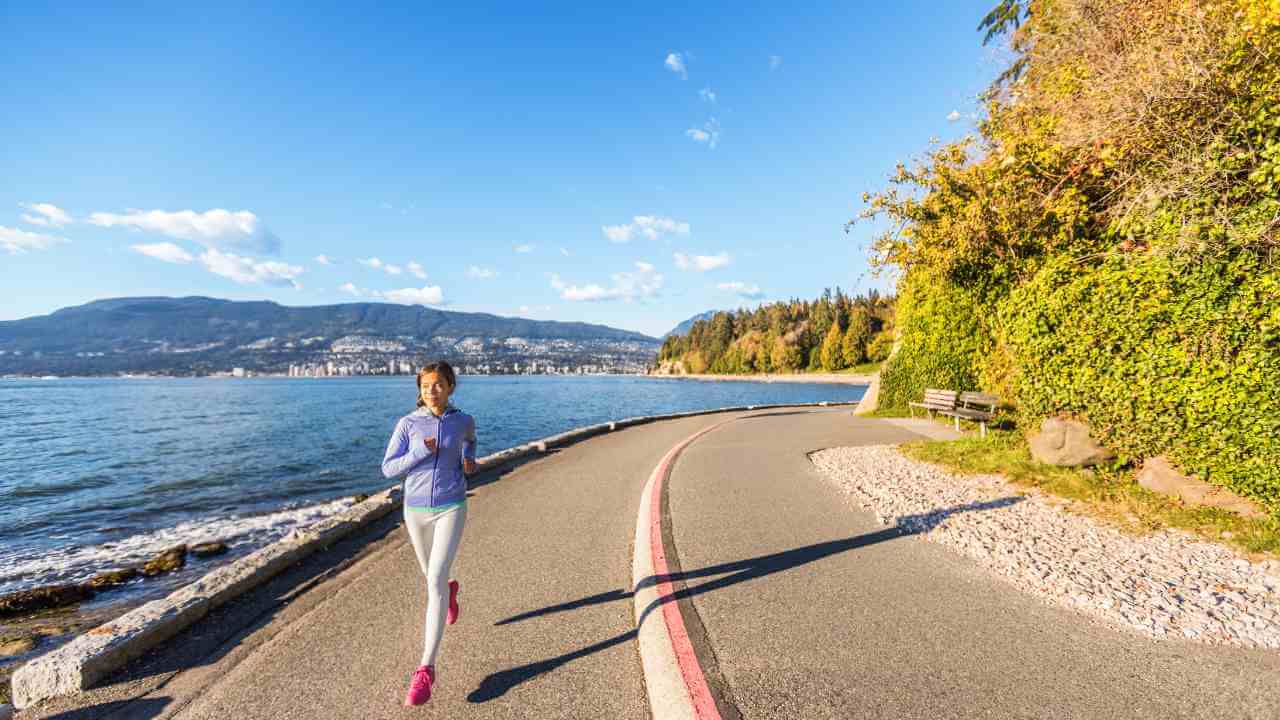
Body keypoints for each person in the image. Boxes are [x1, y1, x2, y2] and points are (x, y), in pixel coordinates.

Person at [381, 361, 477, 706]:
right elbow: (388, 468)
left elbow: (470, 441)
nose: (431, 391)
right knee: (432, 580)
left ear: (450, 386)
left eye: (437, 385)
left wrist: (469, 459)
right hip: (415, 511)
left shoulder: (463, 420)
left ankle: (426, 668)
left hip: (452, 505)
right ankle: (450, 592)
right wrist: (421, 450)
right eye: (425, 386)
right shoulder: (407, 424)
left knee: (434, 578)